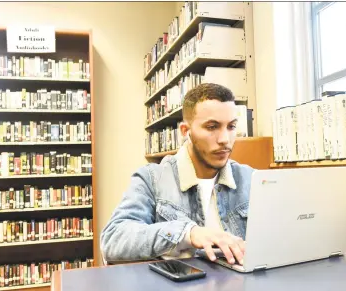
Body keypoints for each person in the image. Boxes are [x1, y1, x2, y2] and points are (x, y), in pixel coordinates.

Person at [100, 83, 254, 265]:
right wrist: (188, 233)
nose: (224, 139)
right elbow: (113, 239)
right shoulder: (152, 178)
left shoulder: (251, 178)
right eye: (212, 127)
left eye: (231, 127)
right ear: (185, 131)